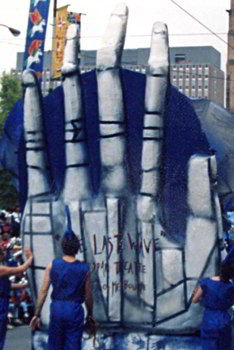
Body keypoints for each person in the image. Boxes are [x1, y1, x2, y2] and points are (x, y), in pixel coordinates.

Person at [30, 227, 93, 350]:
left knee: (55, 344)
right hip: (75, 309)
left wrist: (37, 314)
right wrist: (90, 314)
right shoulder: (85, 269)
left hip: (57, 308)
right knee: (73, 344)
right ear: (77, 248)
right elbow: (88, 296)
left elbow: (43, 291)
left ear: (63, 246)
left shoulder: (52, 265)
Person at [192, 254, 234, 350]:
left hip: (209, 319)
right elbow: (232, 302)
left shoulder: (206, 282)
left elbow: (194, 300)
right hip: (224, 319)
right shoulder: (231, 286)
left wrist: (204, 299)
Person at [0, 247, 33, 350]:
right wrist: (31, 257)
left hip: (3, 301)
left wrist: (23, 286)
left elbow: (7, 285)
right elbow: (20, 269)